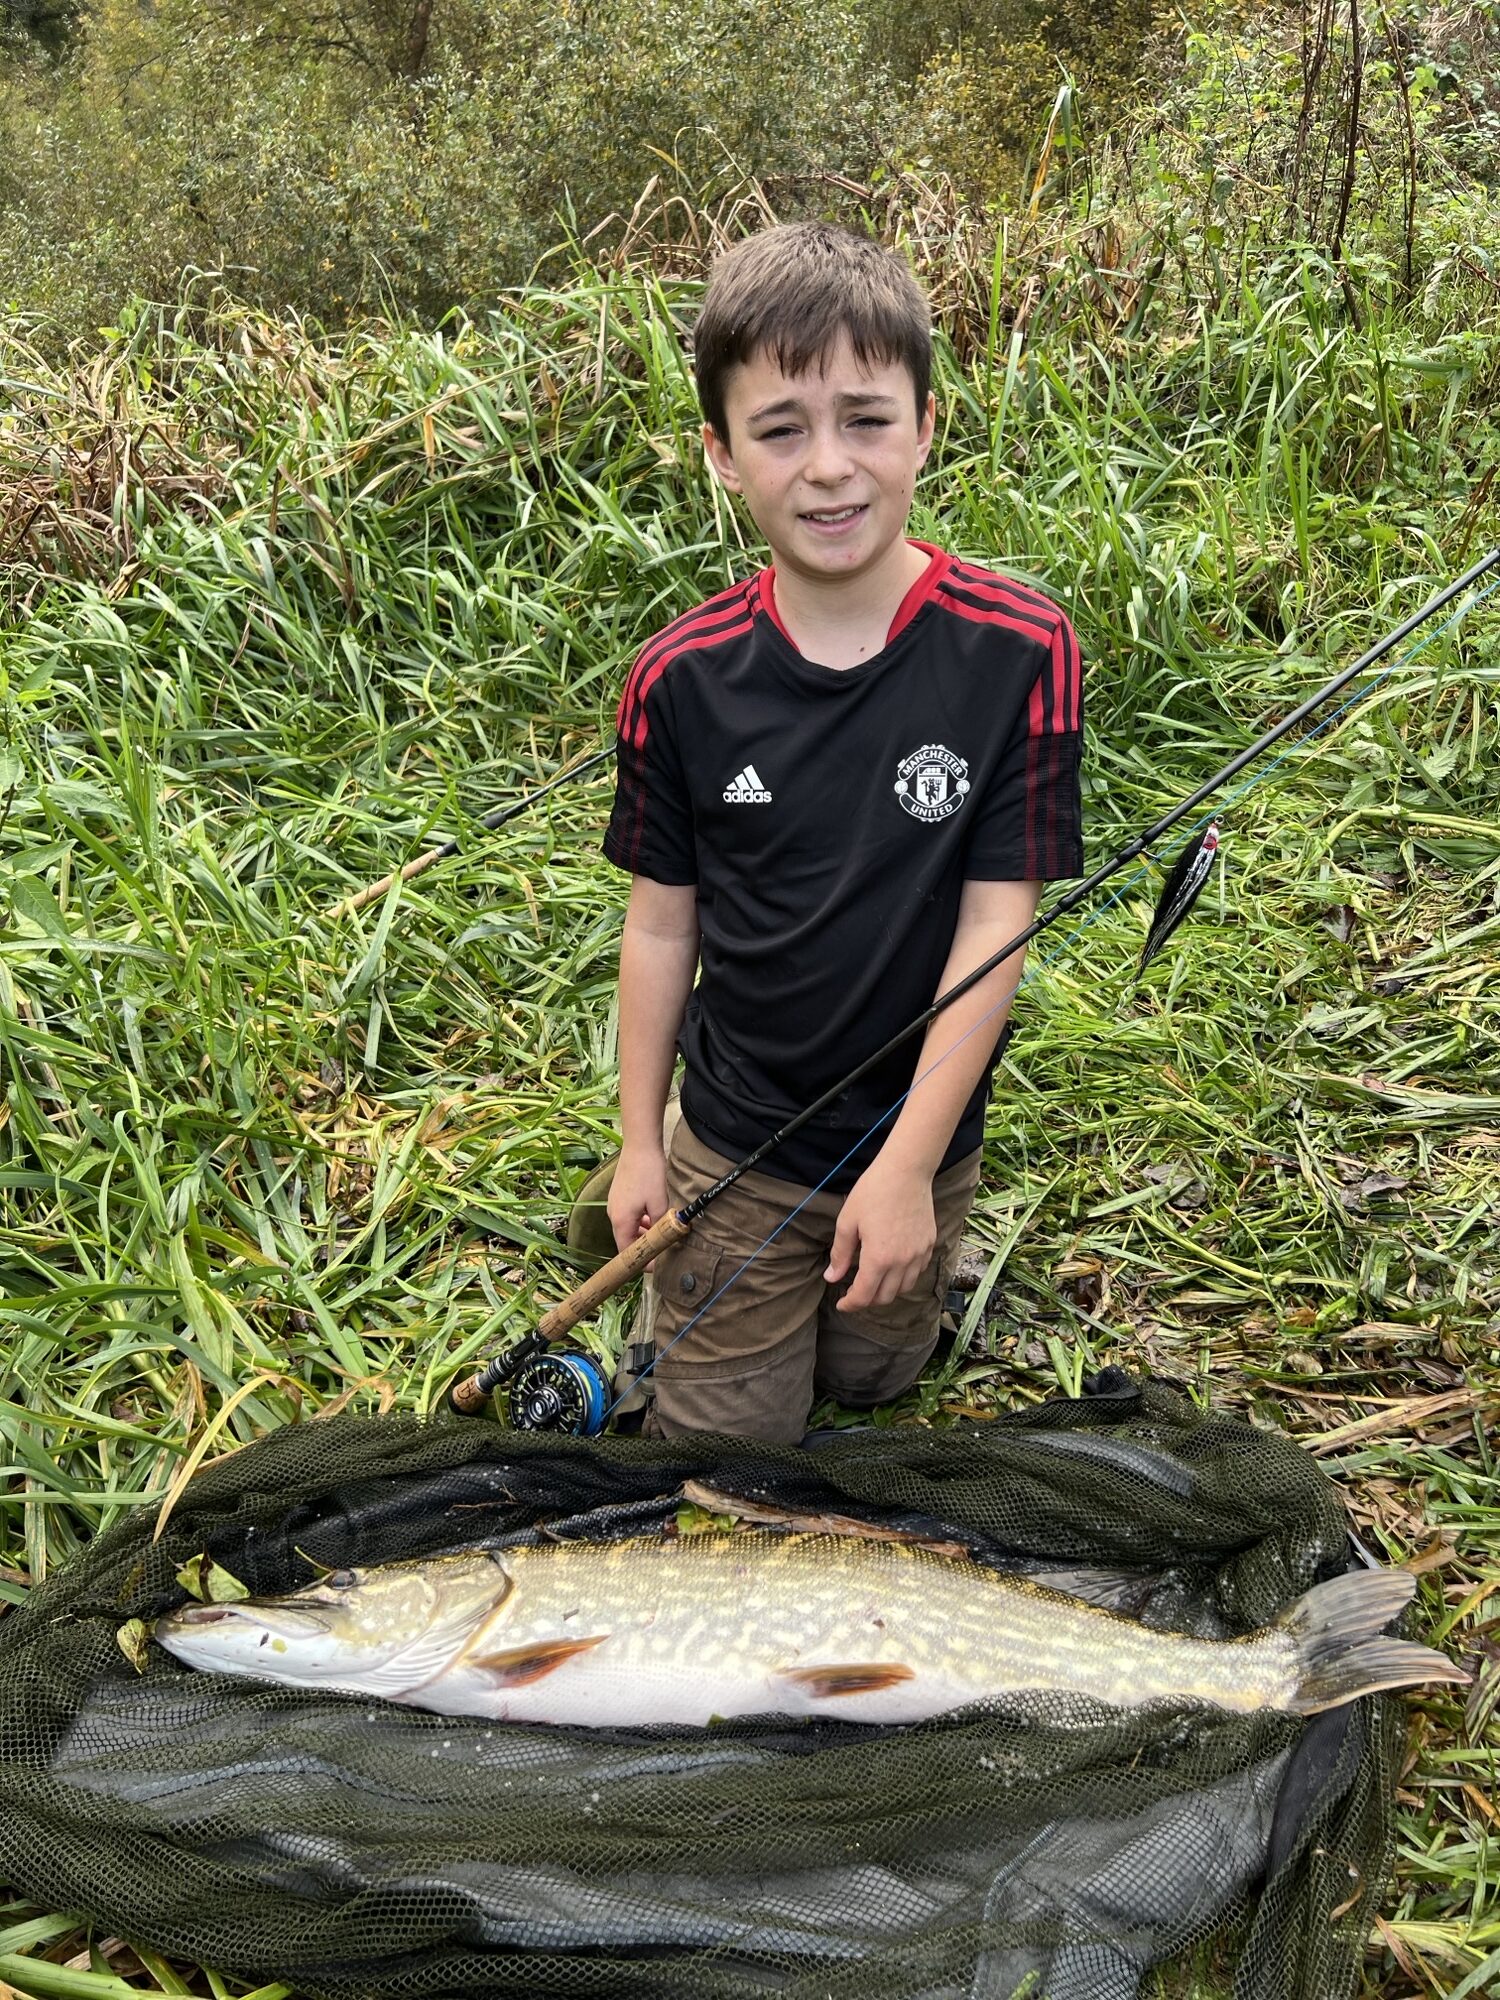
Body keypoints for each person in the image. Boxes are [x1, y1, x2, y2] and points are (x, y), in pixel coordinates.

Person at [599, 220, 1083, 1443]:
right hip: (737, 1138)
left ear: (926, 423)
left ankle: (904, 1238)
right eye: (780, 429)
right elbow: (661, 926)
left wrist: (912, 1167)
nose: (828, 467)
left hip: (920, 1129)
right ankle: (689, 1258)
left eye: (866, 418)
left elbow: (996, 922)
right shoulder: (679, 678)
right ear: (720, 453)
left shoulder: (1021, 647)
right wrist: (640, 1142)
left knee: (874, 1380)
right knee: (728, 1448)